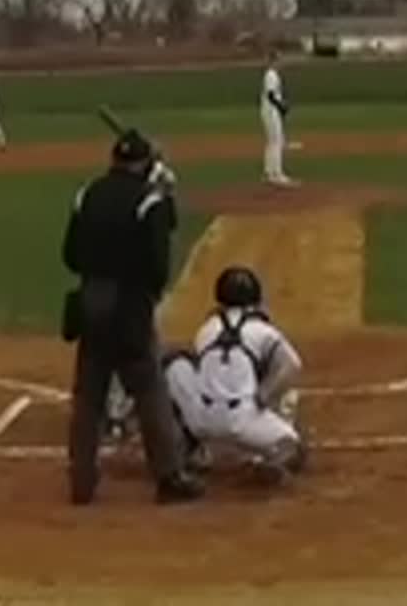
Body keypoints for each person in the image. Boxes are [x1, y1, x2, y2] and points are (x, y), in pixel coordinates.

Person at [59, 128, 203, 505]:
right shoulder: (149, 200)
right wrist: (166, 195)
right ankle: (169, 476)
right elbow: (158, 265)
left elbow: (70, 255)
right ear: (144, 164)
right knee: (149, 391)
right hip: (130, 308)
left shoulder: (87, 194)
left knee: (88, 397)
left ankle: (81, 481)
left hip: (92, 302)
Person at [164, 265, 307, 485]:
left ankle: (188, 447)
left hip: (201, 420)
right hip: (243, 421)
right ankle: (276, 460)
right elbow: (292, 365)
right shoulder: (263, 330)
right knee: (294, 447)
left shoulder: (206, 330)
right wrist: (264, 396)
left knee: (175, 365)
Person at [261, 51, 295, 187]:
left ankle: (269, 173)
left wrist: (281, 106)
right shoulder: (271, 75)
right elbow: (270, 95)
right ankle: (277, 174)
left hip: (269, 111)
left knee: (272, 142)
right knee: (277, 142)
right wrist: (281, 106)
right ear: (273, 61)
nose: (281, 63)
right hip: (271, 111)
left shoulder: (271, 74)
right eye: (279, 60)